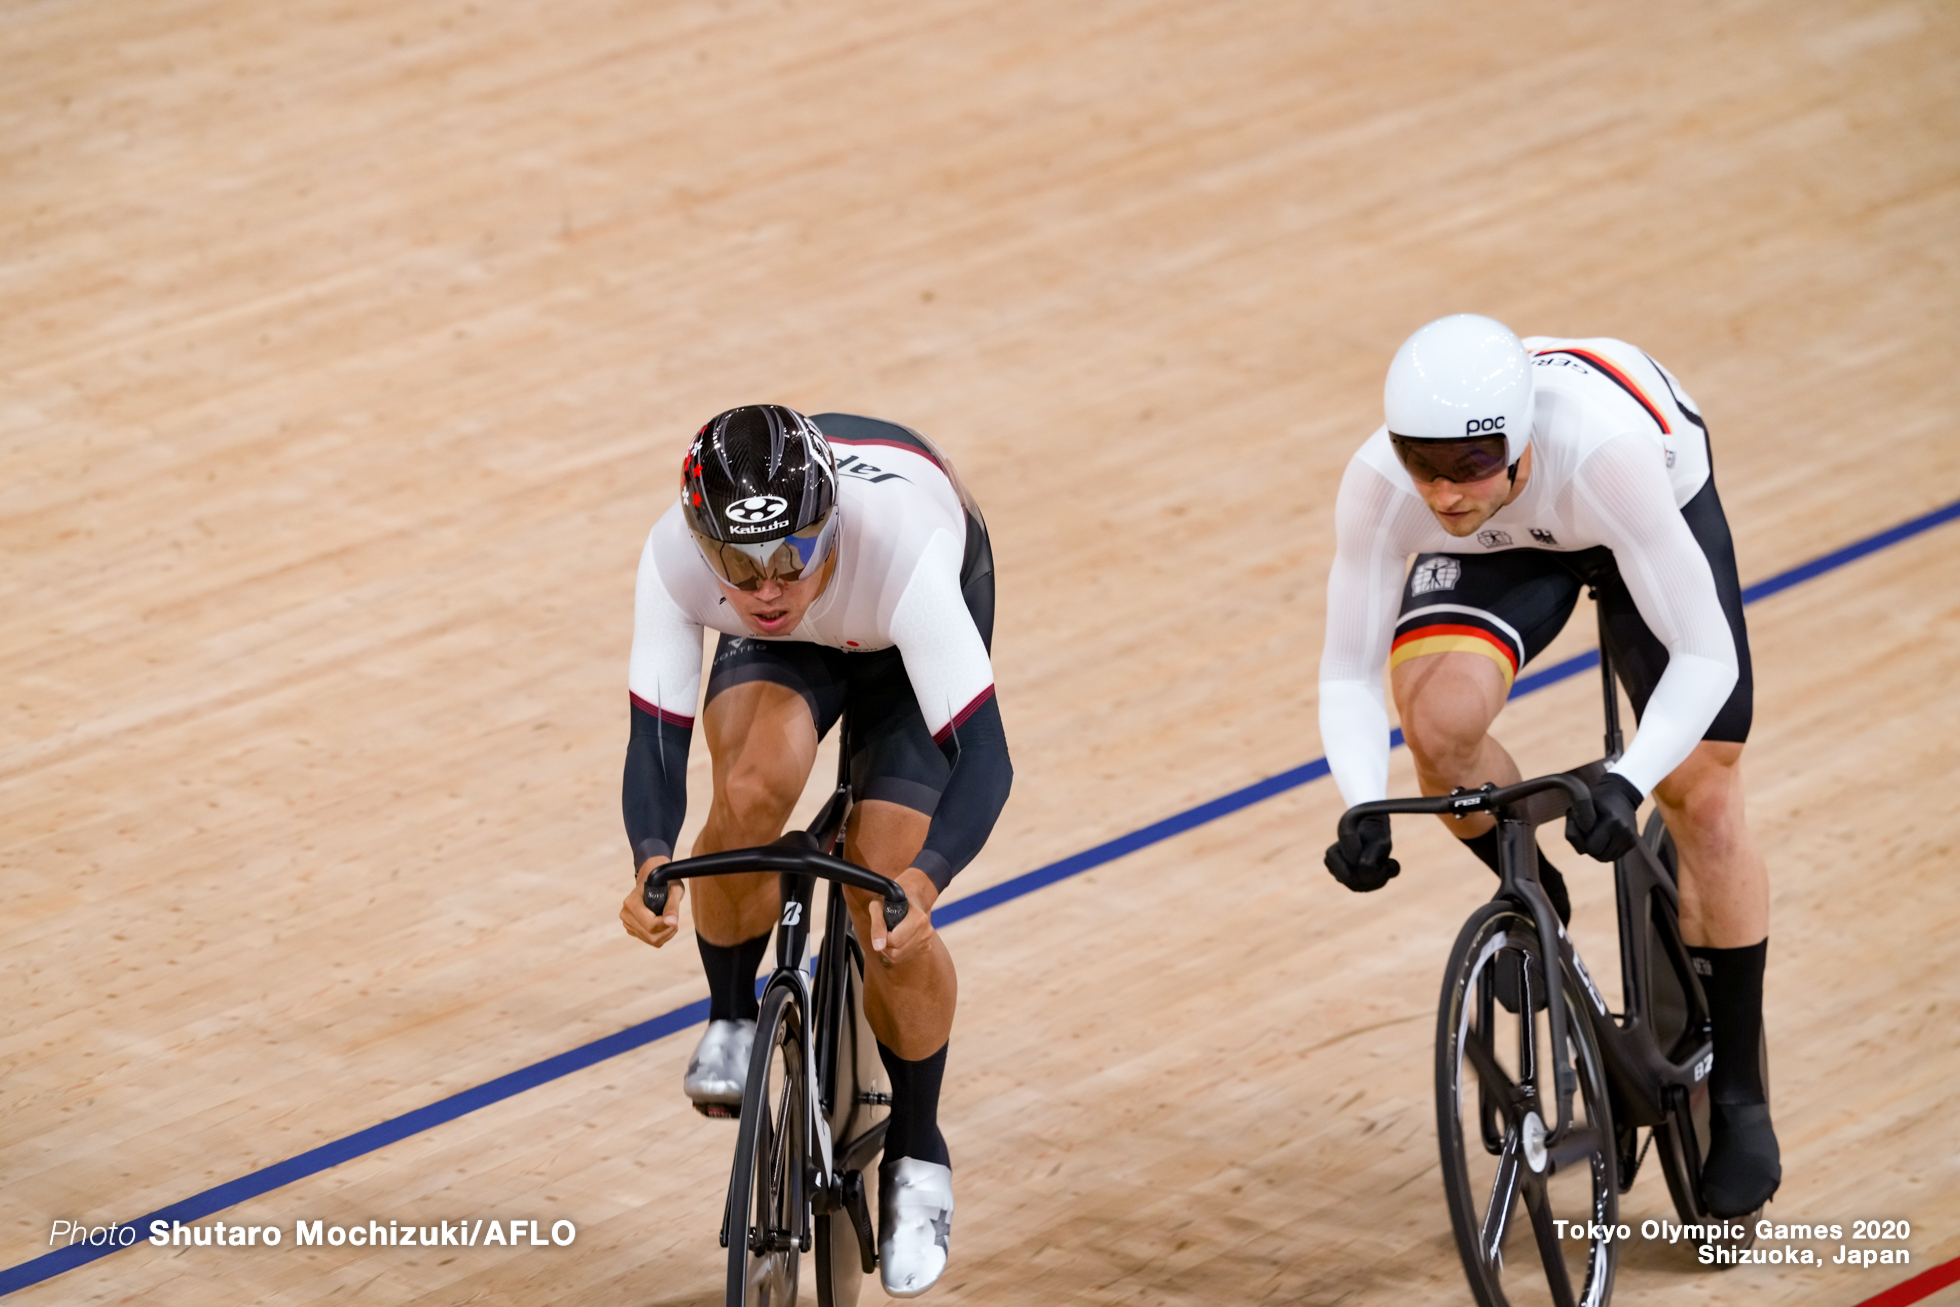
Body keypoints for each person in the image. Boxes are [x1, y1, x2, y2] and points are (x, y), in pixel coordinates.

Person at [1317, 314, 1780, 1218]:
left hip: (1635, 509)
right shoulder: (1385, 482)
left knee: (1703, 792)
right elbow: (1345, 667)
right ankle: (1531, 889)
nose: (1444, 493)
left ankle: (1740, 1096)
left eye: (1470, 465)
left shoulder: (1604, 454)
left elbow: (1706, 657)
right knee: (1439, 726)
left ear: (1519, 442)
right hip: (1510, 539)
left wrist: (1629, 778)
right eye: (1425, 463)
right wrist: (1361, 803)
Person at [616, 404, 1009, 1297]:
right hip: (810, 641)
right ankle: (731, 1011)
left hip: (894, 625)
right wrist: (648, 852)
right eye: (739, 568)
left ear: (827, 519)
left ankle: (919, 1151)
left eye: (790, 555)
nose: (766, 589)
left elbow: (987, 757)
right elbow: (656, 737)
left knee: (882, 896)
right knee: (748, 791)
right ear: (703, 543)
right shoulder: (681, 556)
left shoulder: (903, 551)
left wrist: (924, 878)